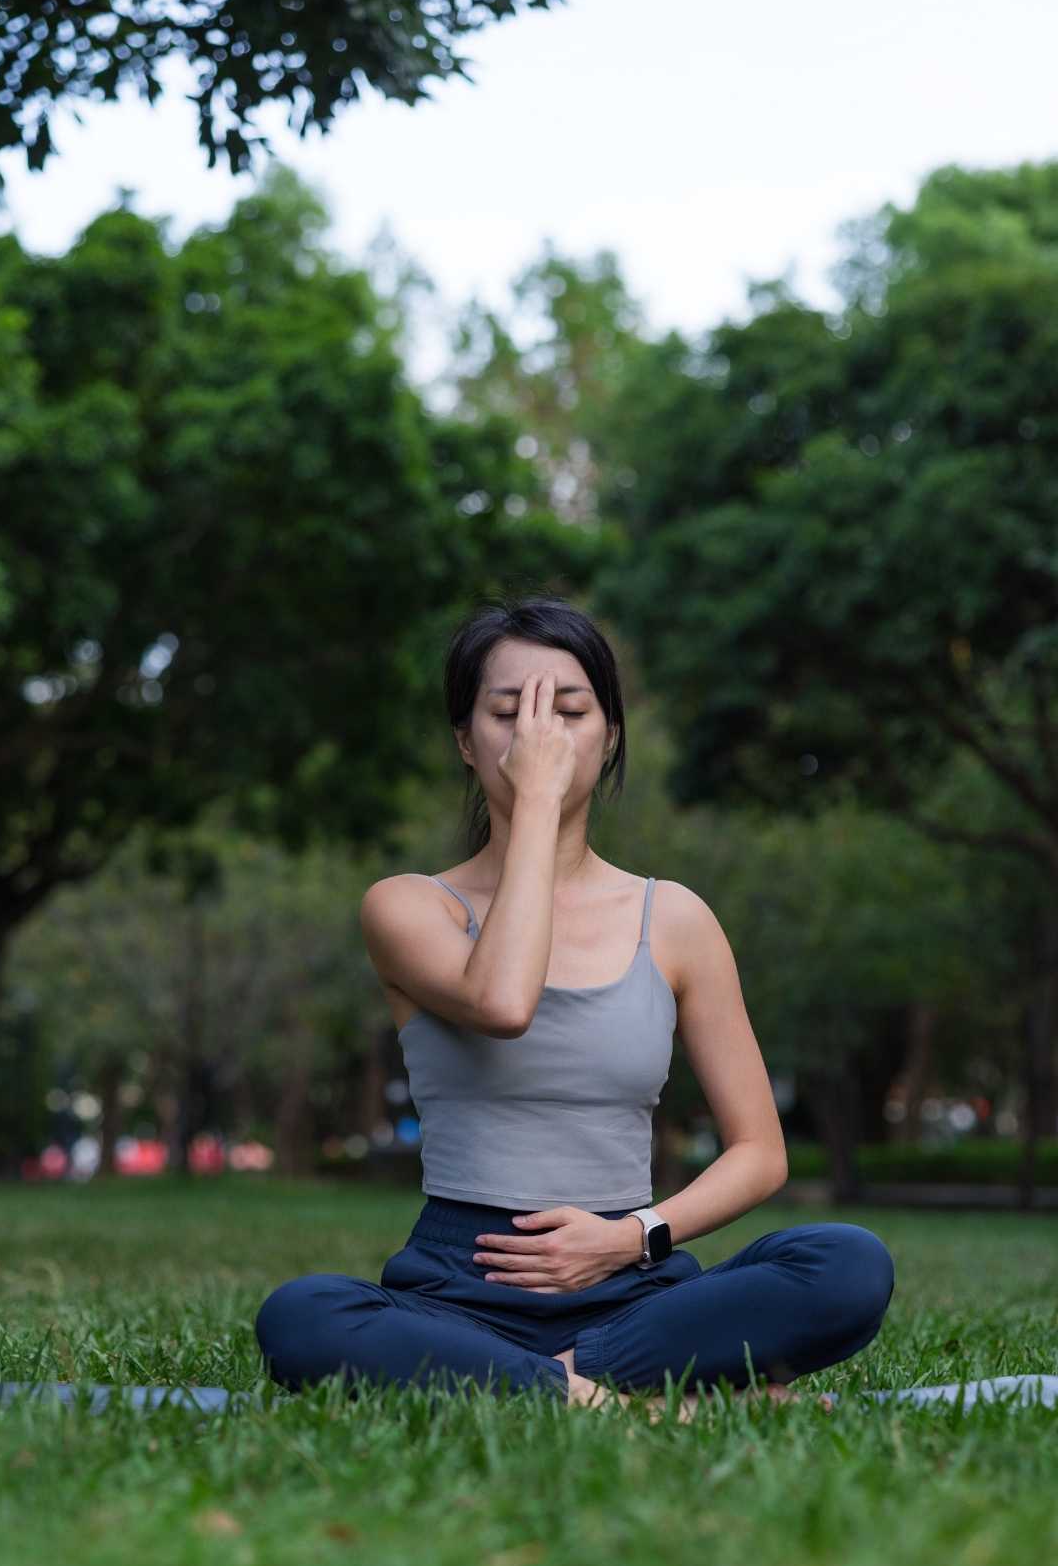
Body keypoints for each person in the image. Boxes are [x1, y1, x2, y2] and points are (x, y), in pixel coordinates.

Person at [255, 595, 894, 1417]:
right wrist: (536, 810)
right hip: (460, 1290)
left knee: (846, 1263)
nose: (539, 737)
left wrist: (631, 1237)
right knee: (301, 1317)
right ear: (464, 740)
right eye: (507, 712)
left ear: (611, 734)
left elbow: (760, 1153)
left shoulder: (676, 920)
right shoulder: (408, 908)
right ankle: (638, 1401)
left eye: (567, 710)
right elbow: (503, 999)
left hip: (632, 1288)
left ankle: (536, 1385)